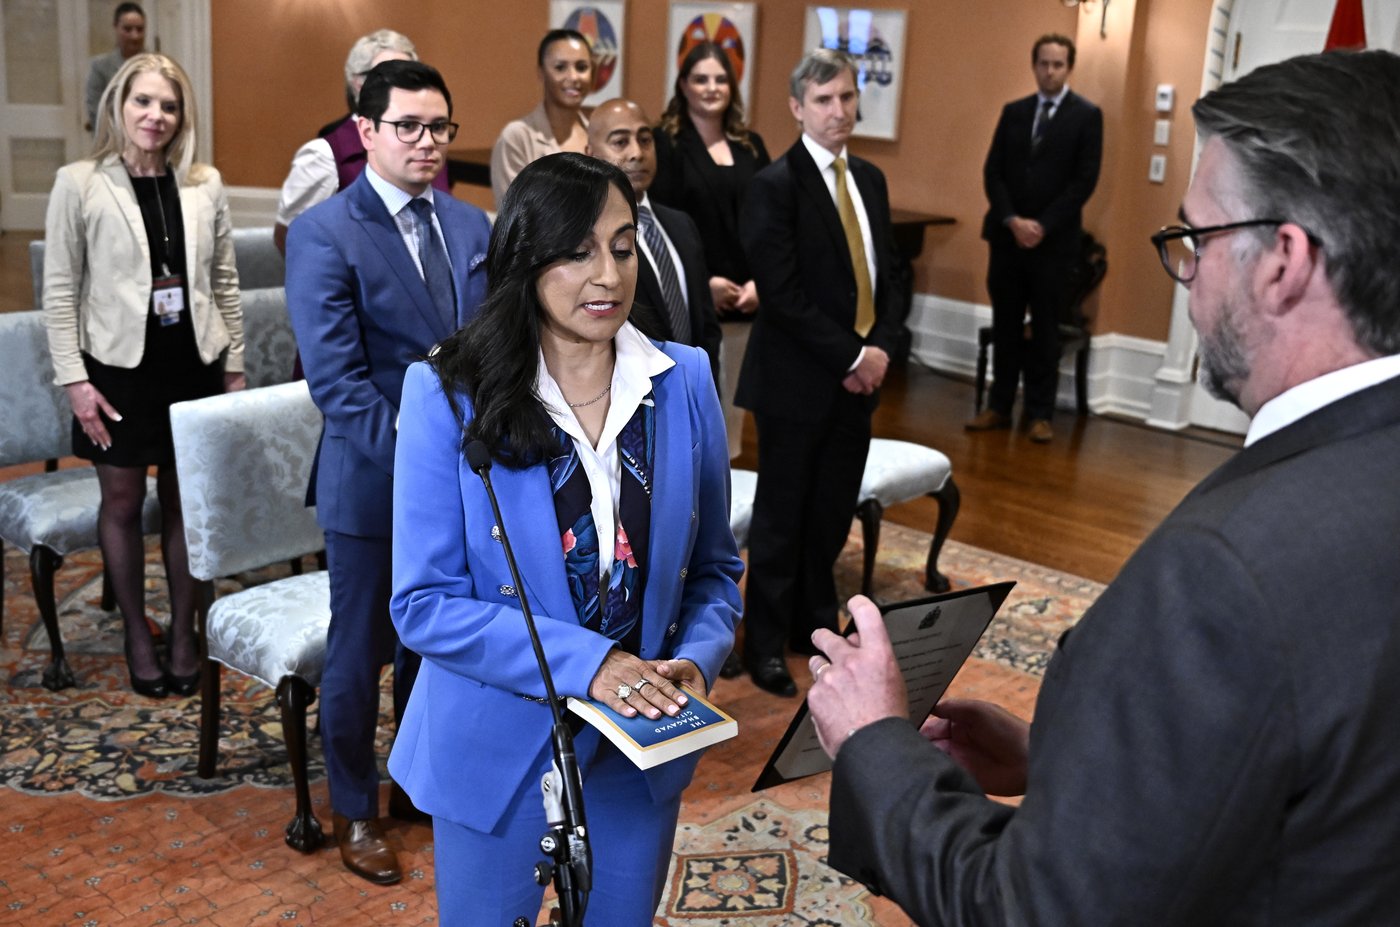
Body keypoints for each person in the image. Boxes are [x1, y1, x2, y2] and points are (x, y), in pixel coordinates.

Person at [808, 49, 1400, 926]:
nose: (1188, 277)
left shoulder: (1220, 572)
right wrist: (1066, 757)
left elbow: (1029, 909)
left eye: (1196, 240)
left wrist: (875, 742)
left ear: (1284, 260)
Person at [388, 152, 743, 923]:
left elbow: (715, 570)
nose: (608, 275)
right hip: (497, 744)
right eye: (578, 251)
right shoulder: (447, 393)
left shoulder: (684, 380)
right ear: (525, 257)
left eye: (621, 246)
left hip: (635, 749)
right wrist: (596, 664)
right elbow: (422, 604)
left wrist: (696, 657)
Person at [285, 59, 491, 885]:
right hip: (371, 483)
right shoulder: (324, 231)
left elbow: (488, 353)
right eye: (408, 125)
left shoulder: (474, 227)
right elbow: (335, 384)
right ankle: (355, 807)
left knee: (431, 645)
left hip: (466, 478)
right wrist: (424, 465)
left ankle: (412, 781)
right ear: (365, 132)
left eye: (439, 126)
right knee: (360, 652)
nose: (427, 142)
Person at [43, 52, 244, 699]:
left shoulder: (203, 181)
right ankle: (137, 631)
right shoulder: (78, 182)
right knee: (123, 504)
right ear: (118, 108)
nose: (156, 115)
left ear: (182, 115)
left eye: (169, 104)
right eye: (143, 102)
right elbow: (59, 292)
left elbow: (224, 282)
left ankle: (183, 633)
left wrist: (234, 369)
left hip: (192, 364)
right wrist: (75, 382)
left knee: (187, 505)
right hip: (116, 372)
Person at [735, 48, 906, 697]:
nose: (839, 111)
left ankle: (814, 625)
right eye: (825, 100)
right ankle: (765, 643)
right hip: (795, 381)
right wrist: (851, 356)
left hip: (860, 380)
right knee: (782, 516)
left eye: (846, 97)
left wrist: (881, 348)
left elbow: (890, 275)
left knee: (831, 510)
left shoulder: (870, 179)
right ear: (797, 108)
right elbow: (782, 293)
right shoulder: (774, 185)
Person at [967, 33, 1102, 444]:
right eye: (1043, 63)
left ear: (1069, 67)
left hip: (1053, 243)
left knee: (1045, 328)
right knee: (1006, 324)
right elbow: (994, 172)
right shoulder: (1014, 112)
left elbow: (1084, 181)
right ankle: (998, 406)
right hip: (1007, 240)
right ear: (1034, 65)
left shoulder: (1086, 116)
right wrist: (1012, 220)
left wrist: (1041, 225)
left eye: (1058, 65)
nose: (1050, 71)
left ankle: (1040, 412)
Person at [653, 41, 771, 461]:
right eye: (700, 78)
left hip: (749, 300)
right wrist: (704, 285)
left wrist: (763, 281)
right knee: (693, 421)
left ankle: (727, 498)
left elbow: (770, 221)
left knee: (732, 425)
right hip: (692, 300)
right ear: (683, 85)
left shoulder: (751, 146)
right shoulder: (664, 144)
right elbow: (661, 223)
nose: (711, 87)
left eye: (720, 79)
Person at [272, 29, 450, 255]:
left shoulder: (430, 145)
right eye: (390, 77)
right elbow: (290, 235)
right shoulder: (325, 153)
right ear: (358, 84)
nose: (406, 89)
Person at [585, 97, 721, 381]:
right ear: (591, 153)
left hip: (694, 387)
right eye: (620, 142)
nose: (637, 152)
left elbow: (706, 322)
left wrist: (703, 384)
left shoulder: (681, 224)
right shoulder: (586, 238)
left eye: (645, 140)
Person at [490, 28, 592, 207]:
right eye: (560, 67)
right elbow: (515, 216)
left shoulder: (597, 136)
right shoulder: (517, 138)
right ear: (541, 72)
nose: (574, 77)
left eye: (582, 67)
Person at [84, 3, 146, 132]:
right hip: (112, 141)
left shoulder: (157, 66)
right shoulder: (100, 67)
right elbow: (96, 112)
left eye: (139, 29)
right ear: (116, 27)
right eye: (127, 29)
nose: (135, 36)